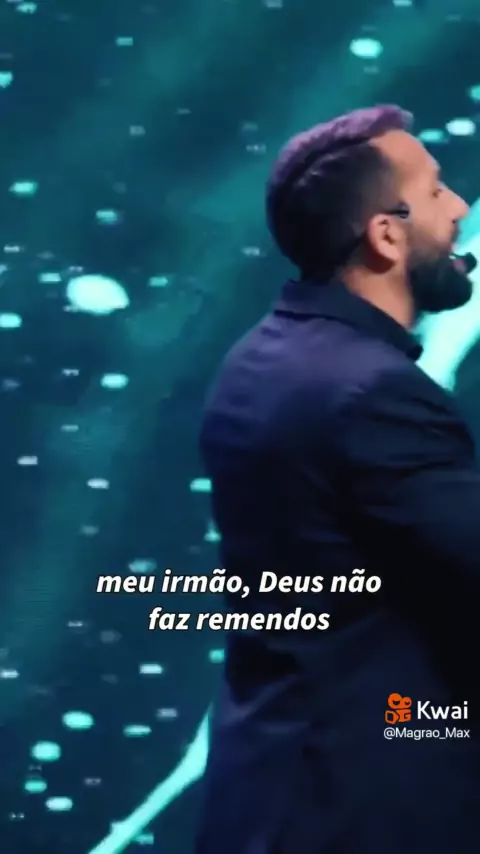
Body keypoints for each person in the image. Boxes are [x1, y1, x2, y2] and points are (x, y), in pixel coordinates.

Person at [195, 105, 480, 854]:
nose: (460, 208)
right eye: (437, 190)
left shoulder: (258, 360)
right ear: (386, 235)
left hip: (271, 788)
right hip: (372, 806)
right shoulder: (374, 393)